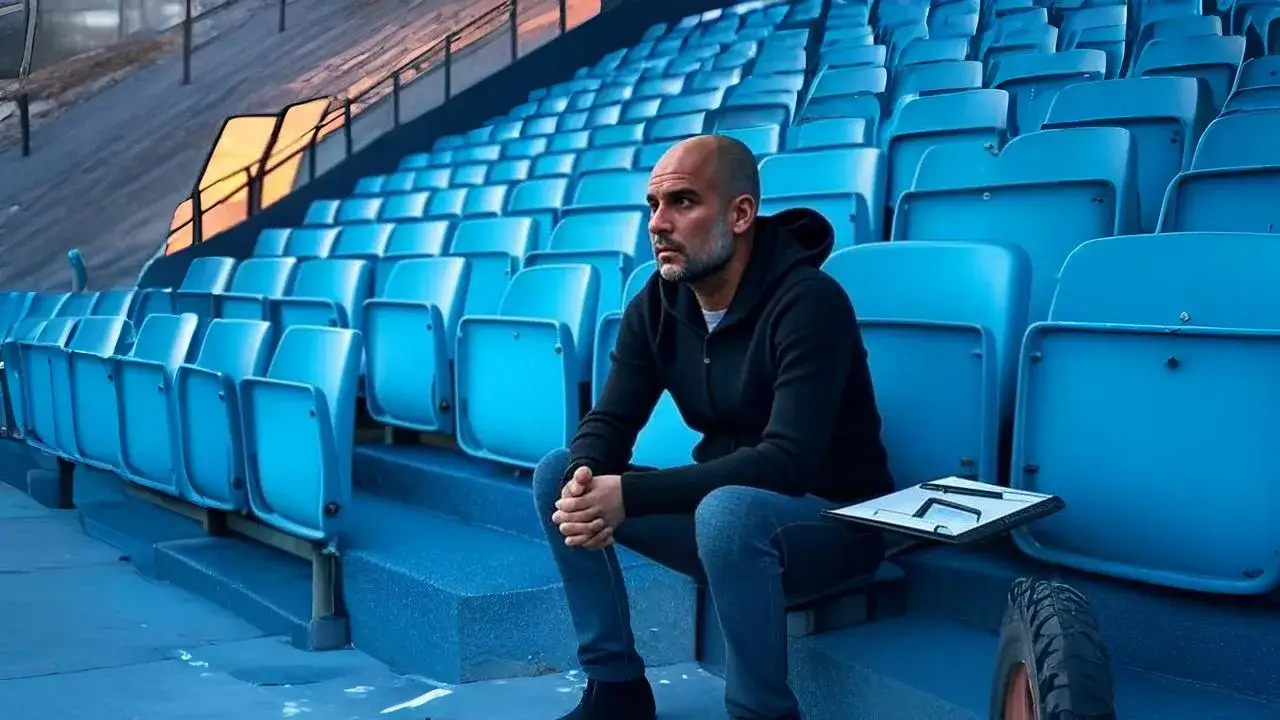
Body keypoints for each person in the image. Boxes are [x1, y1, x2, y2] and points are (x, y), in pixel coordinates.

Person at [531, 134, 893, 720]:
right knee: (557, 474)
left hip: (831, 525)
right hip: (721, 523)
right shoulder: (659, 302)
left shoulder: (810, 302)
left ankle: (761, 713)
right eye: (653, 205)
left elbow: (786, 463)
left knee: (727, 512)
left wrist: (629, 496)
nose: (658, 223)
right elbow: (612, 417)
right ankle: (615, 687)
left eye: (682, 202)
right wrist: (584, 479)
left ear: (740, 214)